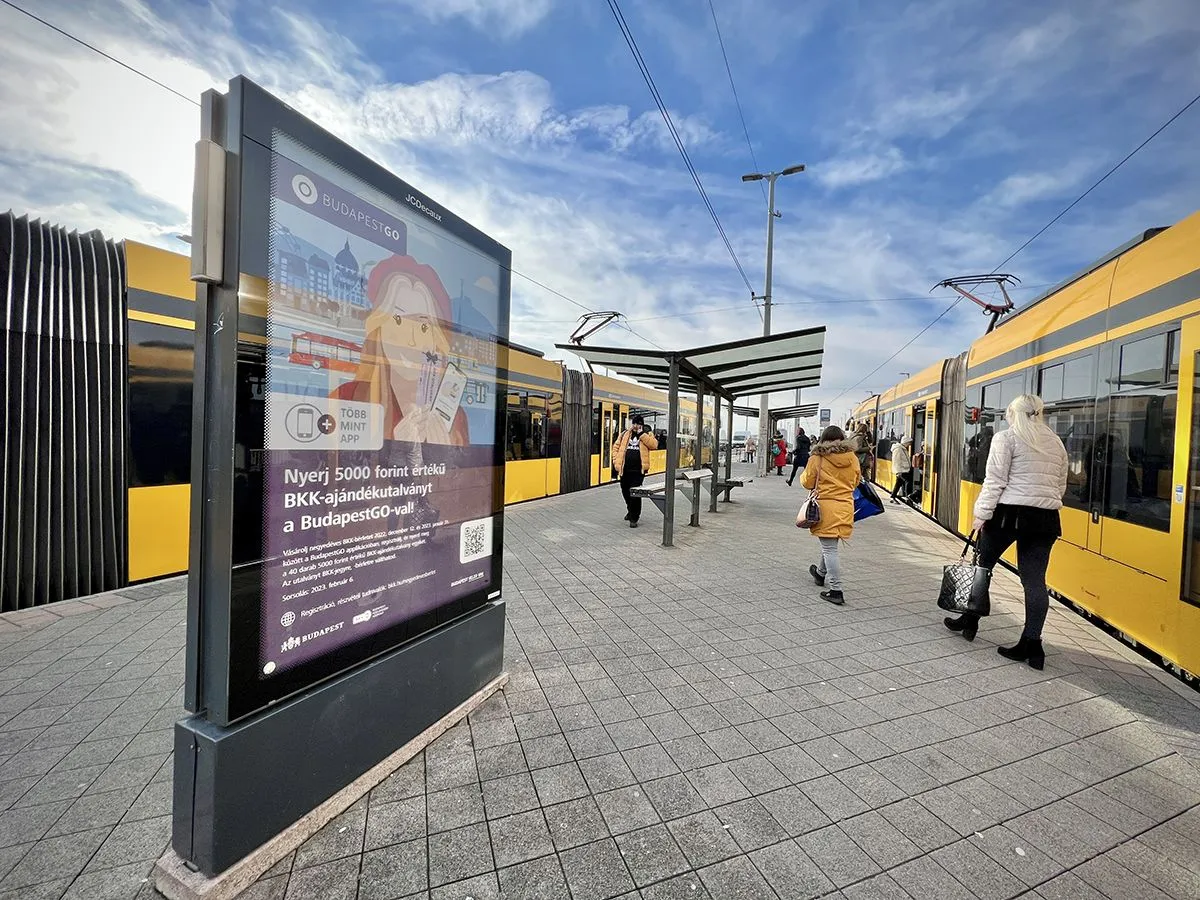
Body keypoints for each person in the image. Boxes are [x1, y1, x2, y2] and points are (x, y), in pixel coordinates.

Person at [944, 394, 1068, 667]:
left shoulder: (1006, 438)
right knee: (1034, 581)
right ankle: (1032, 645)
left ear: (1014, 414)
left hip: (1008, 515)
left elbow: (995, 481)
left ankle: (970, 620)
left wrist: (981, 514)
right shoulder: (1055, 442)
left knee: (982, 566)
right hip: (1045, 518)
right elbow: (1061, 484)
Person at [800, 426, 861, 605]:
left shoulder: (817, 457)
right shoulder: (852, 457)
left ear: (823, 439)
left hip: (825, 507)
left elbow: (807, 482)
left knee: (829, 548)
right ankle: (820, 573)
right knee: (830, 543)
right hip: (845, 506)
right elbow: (856, 481)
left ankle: (836, 590)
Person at [612, 415, 658, 528]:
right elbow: (616, 447)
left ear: (642, 425)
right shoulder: (625, 434)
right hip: (624, 470)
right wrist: (615, 461)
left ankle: (634, 517)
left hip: (638, 471)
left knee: (635, 494)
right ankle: (630, 510)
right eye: (634, 424)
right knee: (625, 492)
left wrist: (641, 434)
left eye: (638, 424)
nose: (636, 426)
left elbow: (654, 445)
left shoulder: (647, 434)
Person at [889, 437, 913, 503]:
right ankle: (908, 497)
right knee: (908, 482)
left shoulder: (902, 448)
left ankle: (893, 497)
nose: (909, 445)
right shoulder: (898, 449)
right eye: (909, 443)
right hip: (901, 470)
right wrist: (898, 471)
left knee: (898, 483)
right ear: (905, 442)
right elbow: (896, 461)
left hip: (903, 469)